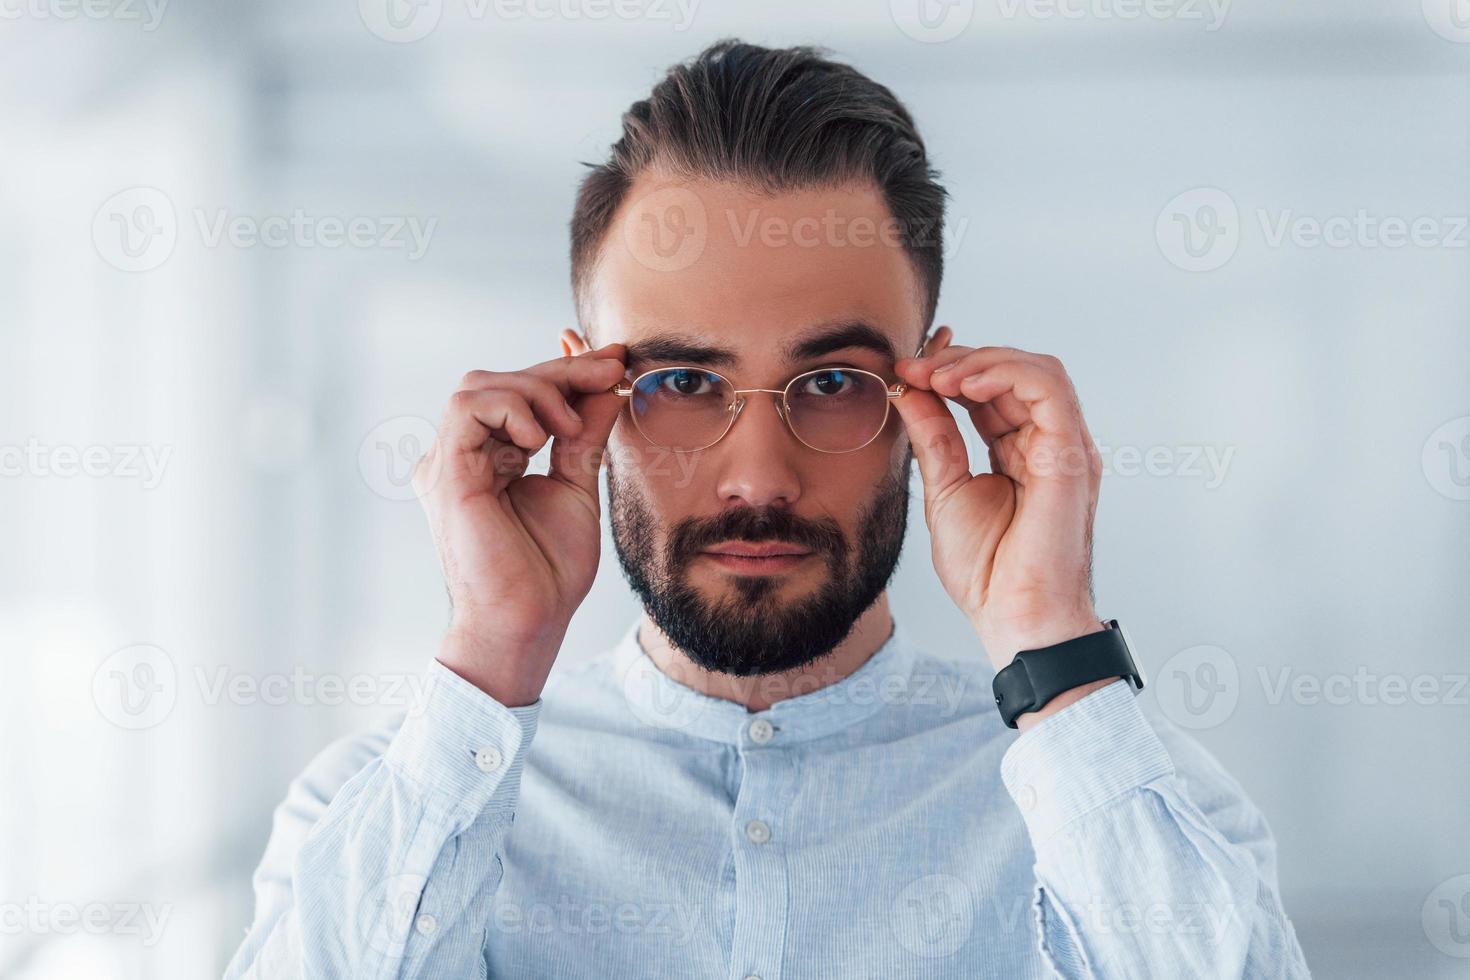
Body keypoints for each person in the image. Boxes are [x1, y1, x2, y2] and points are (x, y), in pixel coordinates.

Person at [225, 39, 1310, 979]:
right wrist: (493, 647)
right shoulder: (386, 808)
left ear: (931, 391)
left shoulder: (1118, 794)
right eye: (684, 384)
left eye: (832, 382)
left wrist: (1047, 638)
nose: (757, 477)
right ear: (583, 396)